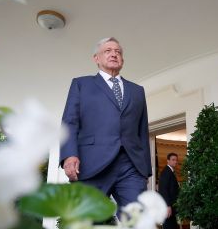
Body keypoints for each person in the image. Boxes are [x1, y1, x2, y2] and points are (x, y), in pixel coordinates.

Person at [59, 37, 151, 212]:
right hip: (91, 163)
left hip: (131, 165)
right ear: (96, 58)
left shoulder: (137, 91)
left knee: (137, 222)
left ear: (122, 60)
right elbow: (69, 122)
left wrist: (145, 170)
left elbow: (142, 130)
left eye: (118, 52)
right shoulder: (81, 84)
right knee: (87, 225)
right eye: (107, 51)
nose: (114, 54)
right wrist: (69, 155)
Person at [158, 152, 180, 229]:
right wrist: (168, 206)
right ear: (168, 161)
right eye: (173, 160)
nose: (175, 162)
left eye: (176, 160)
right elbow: (163, 190)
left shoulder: (170, 172)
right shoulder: (166, 172)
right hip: (168, 210)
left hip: (172, 210)